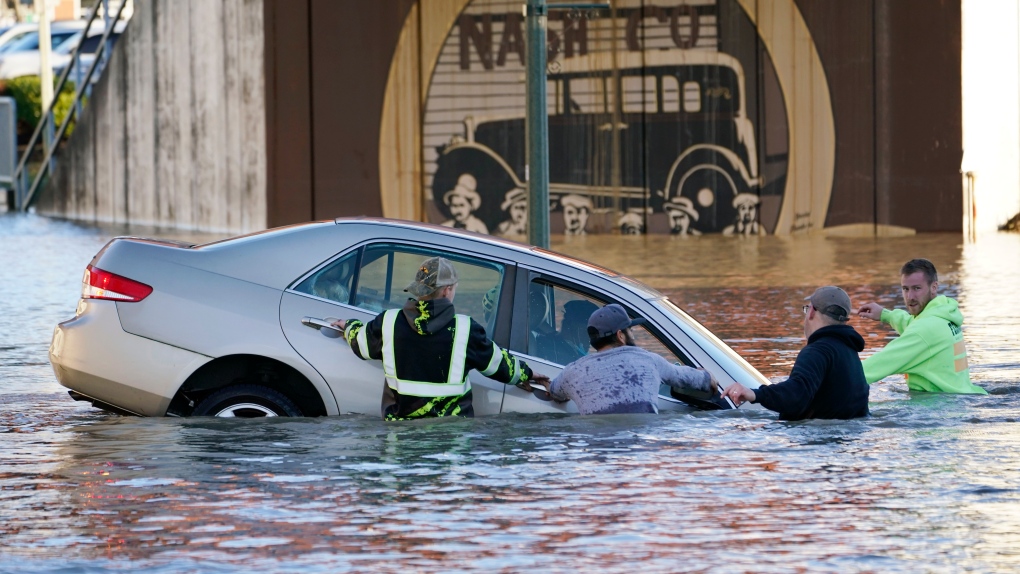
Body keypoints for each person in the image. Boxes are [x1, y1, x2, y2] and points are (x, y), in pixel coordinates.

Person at [333, 256, 549, 420]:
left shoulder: (388, 322)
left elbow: (360, 343)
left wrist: (348, 326)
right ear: (446, 291)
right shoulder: (466, 330)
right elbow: (499, 366)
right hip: (451, 443)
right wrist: (528, 374)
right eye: (454, 288)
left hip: (401, 440)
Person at [722, 286, 870, 420]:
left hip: (819, 444)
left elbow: (797, 394)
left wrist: (755, 394)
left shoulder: (816, 351)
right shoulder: (850, 352)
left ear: (811, 311)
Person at [541, 303, 718, 414]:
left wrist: (541, 380)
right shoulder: (649, 361)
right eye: (630, 330)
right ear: (620, 335)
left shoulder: (573, 371)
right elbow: (705, 382)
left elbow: (555, 393)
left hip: (597, 457)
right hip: (640, 452)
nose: (632, 334)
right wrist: (706, 375)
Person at [856, 258, 986, 394]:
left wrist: (836, 378)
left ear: (934, 287)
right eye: (905, 289)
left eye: (917, 288)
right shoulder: (944, 313)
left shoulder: (925, 330)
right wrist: (885, 315)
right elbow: (915, 326)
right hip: (961, 400)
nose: (910, 296)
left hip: (939, 408)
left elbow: (877, 365)